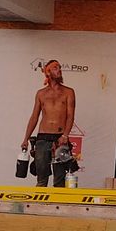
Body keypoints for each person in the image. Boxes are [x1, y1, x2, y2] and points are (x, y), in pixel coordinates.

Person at [21, 59, 78, 187]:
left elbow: (70, 116)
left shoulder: (68, 92)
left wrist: (65, 135)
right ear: (48, 72)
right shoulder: (41, 93)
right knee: (41, 178)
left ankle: (58, 200)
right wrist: (25, 139)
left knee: (59, 178)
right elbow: (34, 117)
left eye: (60, 67)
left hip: (60, 138)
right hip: (43, 137)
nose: (59, 70)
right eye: (55, 68)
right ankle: (40, 200)